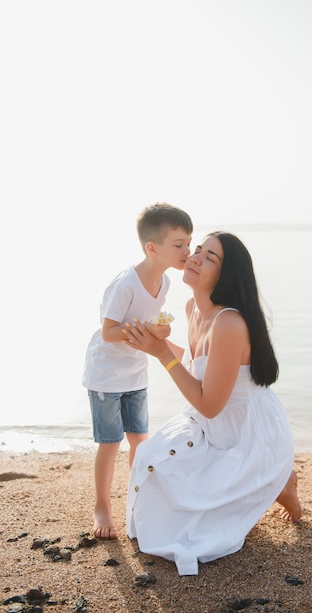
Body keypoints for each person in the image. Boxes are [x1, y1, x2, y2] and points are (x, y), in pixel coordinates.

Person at [123, 231, 302, 575]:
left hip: (246, 434)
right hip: (208, 426)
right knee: (150, 462)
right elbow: (198, 370)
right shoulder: (192, 308)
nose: (195, 257)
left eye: (210, 258)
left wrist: (161, 355)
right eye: (198, 250)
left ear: (226, 275)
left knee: (198, 532)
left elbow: (209, 404)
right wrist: (151, 344)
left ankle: (282, 481)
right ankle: (275, 480)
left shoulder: (230, 323)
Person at [82, 202, 193, 540]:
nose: (188, 251)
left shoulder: (165, 283)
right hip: (106, 374)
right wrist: (146, 328)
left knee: (139, 441)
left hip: (135, 372)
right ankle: (102, 506)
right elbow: (109, 332)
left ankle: (138, 499)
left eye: (189, 242)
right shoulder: (125, 284)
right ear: (152, 248)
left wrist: (159, 333)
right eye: (179, 245)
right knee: (110, 442)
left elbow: (147, 328)